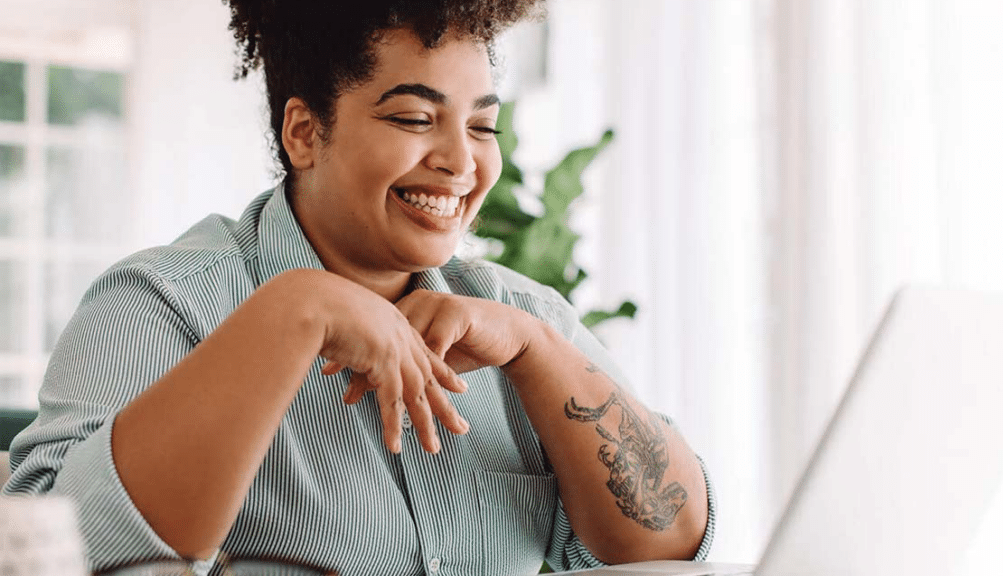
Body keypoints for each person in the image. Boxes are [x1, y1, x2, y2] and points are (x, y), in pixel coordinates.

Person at [3, 1, 715, 574]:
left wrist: (536, 350)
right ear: (305, 132)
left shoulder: (520, 315)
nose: (461, 162)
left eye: (482, 125)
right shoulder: (157, 304)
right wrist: (294, 310)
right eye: (413, 118)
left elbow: (671, 546)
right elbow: (65, 554)